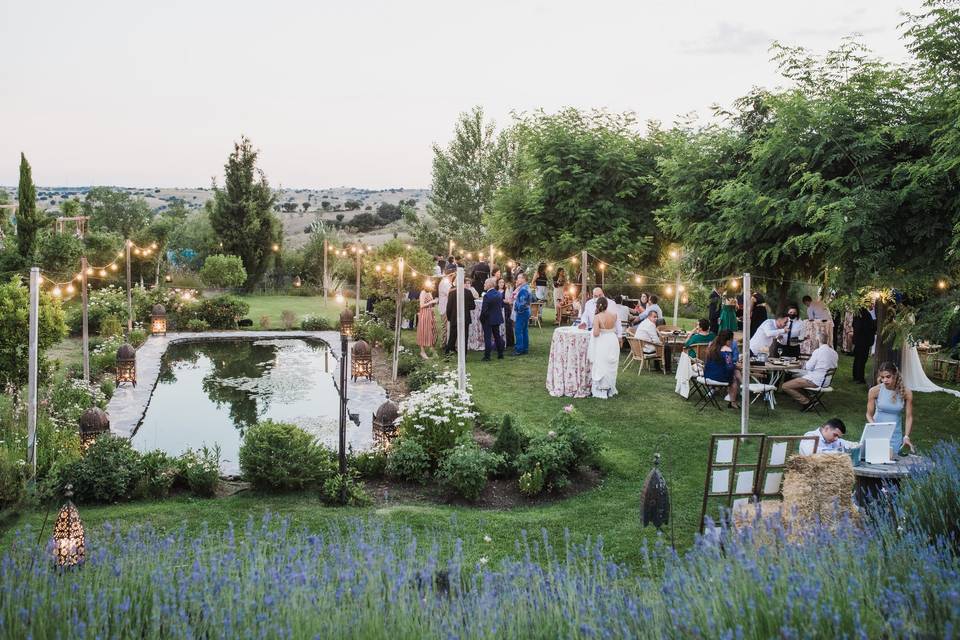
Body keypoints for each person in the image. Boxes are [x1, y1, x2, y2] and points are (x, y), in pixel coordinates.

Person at [866, 361, 914, 454]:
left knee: (891, 461)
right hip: (877, 430)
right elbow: (868, 414)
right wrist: (874, 425)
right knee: (873, 458)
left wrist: (906, 436)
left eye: (888, 377)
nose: (885, 380)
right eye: (882, 377)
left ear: (895, 375)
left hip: (895, 433)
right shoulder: (874, 391)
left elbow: (909, 417)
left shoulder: (906, 392)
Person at [588, 296, 620, 398]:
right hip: (613, 340)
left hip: (603, 342)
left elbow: (596, 333)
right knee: (611, 364)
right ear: (607, 305)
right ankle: (610, 386)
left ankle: (601, 389)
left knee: (602, 364)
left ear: (597, 305)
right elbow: (615, 328)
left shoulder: (597, 317)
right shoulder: (614, 315)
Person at [703, 330, 741, 409]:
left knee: (735, 373)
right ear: (728, 340)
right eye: (731, 340)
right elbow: (729, 367)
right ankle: (733, 402)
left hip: (707, 375)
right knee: (734, 379)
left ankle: (741, 391)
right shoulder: (726, 349)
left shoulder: (712, 346)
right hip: (719, 377)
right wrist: (736, 367)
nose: (732, 342)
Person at [444, 277, 475, 354]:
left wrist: (449, 318)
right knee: (464, 337)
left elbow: (448, 308)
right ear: (464, 283)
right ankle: (464, 355)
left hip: (454, 318)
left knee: (452, 337)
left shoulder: (452, 293)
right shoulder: (468, 292)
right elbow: (473, 306)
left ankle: (447, 355)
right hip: (465, 318)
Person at [479, 277, 505, 361]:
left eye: (485, 283)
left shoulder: (487, 296)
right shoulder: (499, 294)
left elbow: (484, 310)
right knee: (497, 336)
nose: (484, 285)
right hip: (496, 318)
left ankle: (487, 356)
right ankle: (500, 354)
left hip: (488, 319)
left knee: (488, 338)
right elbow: (500, 306)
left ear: (489, 284)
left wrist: (482, 319)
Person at [851, 305, 877, 383]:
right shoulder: (866, 314)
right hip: (864, 340)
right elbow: (870, 327)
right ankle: (860, 377)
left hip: (858, 339)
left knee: (857, 358)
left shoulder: (857, 313)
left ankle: (855, 376)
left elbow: (854, 325)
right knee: (862, 360)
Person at [513, 273, 533, 355]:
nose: (517, 280)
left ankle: (519, 349)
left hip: (522, 312)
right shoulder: (527, 287)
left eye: (519, 278)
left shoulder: (523, 289)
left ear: (524, 279)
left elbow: (522, 302)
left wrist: (517, 309)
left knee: (518, 330)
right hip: (526, 311)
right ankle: (525, 348)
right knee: (524, 330)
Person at [417, 281, 437, 359]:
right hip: (424, 313)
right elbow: (422, 305)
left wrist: (433, 304)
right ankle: (422, 351)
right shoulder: (423, 292)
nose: (433, 285)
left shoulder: (429, 292)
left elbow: (430, 303)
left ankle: (431, 348)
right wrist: (432, 301)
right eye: (432, 284)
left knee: (431, 331)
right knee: (424, 331)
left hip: (430, 313)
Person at [498, 277, 515, 349]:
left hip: (506, 309)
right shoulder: (496, 291)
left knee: (508, 325)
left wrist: (505, 301)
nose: (502, 284)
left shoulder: (506, 290)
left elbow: (509, 300)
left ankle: (509, 342)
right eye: (500, 282)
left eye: (503, 282)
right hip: (498, 309)